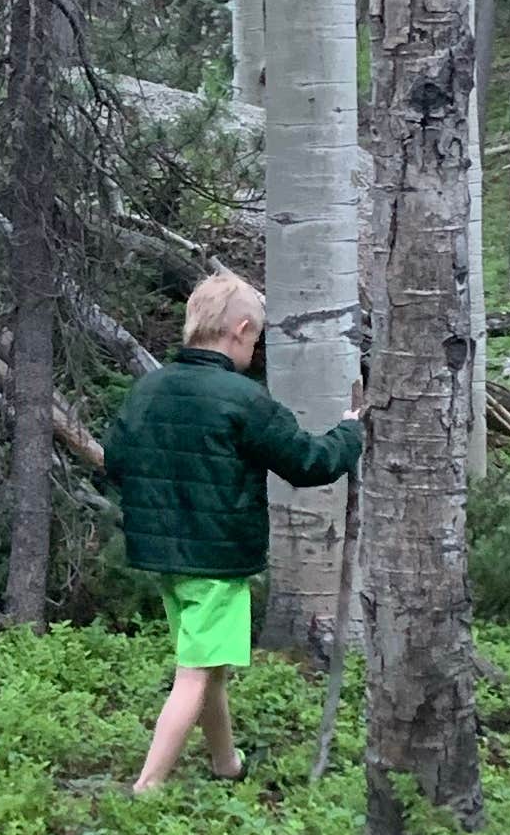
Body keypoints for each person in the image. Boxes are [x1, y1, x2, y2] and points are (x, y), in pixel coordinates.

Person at [103, 270, 364, 792]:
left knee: (208, 665)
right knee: (194, 675)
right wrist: (351, 431)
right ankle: (146, 788)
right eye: (256, 338)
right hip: (217, 563)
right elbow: (309, 462)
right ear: (241, 330)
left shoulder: (148, 390)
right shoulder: (243, 400)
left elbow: (115, 461)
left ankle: (227, 763)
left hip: (162, 557)